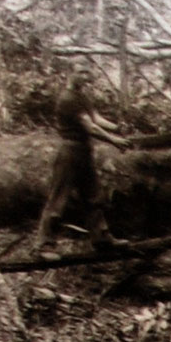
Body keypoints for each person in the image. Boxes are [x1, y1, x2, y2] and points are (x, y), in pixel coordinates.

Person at [33, 61, 132, 256]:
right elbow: (90, 127)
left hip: (84, 151)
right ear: (71, 73)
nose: (86, 77)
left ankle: (101, 238)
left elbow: (95, 118)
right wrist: (115, 140)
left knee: (94, 196)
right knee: (58, 199)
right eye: (81, 72)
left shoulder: (82, 96)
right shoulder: (67, 99)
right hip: (69, 151)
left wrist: (116, 127)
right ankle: (44, 245)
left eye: (87, 73)